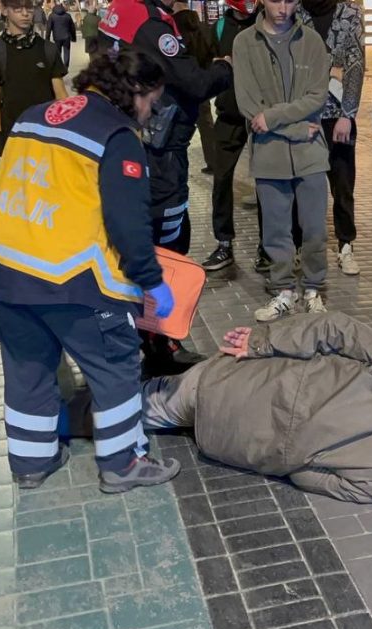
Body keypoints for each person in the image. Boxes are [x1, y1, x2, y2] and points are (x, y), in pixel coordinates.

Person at [0, 49, 181, 493]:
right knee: (116, 366)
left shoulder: (32, 115)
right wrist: (152, 281)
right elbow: (128, 222)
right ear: (134, 93)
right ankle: (122, 464)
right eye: (151, 102)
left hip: (5, 271)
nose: (151, 113)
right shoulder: (116, 136)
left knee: (28, 368)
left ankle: (31, 462)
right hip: (73, 278)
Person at [140, 313, 372, 505]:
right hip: (224, 435)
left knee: (123, 401)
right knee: (142, 407)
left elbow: (334, 327)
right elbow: (302, 476)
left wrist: (261, 342)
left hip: (232, 376)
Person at [98, 0, 233, 372]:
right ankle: (160, 345)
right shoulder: (150, 24)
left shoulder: (120, 11)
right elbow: (193, 82)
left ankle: (140, 338)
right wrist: (224, 69)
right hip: (159, 155)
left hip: (132, 144)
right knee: (169, 244)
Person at [233, 0, 331, 322]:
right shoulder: (245, 42)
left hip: (311, 152)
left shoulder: (312, 41)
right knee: (275, 231)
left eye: (290, 1)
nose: (283, 8)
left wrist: (273, 117)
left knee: (315, 228)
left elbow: (318, 96)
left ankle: (314, 289)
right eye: (276, 0)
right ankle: (283, 291)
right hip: (272, 151)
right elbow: (248, 104)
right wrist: (297, 128)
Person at [298, 0, 365, 276]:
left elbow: (356, 64)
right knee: (302, 186)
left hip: (338, 118)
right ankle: (304, 248)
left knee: (342, 184)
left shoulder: (350, 14)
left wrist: (347, 114)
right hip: (302, 118)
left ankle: (345, 245)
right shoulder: (295, 13)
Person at [200, 0, 260, 273]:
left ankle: (269, 248)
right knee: (221, 180)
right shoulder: (220, 27)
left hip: (261, 118)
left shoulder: (265, 20)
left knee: (268, 186)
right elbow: (205, 66)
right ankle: (224, 243)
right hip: (229, 116)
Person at [0, 0, 68, 158]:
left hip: (46, 135)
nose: (25, 13)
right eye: (17, 8)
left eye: (29, 7)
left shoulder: (48, 49)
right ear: (4, 10)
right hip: (12, 134)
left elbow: (61, 95)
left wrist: (65, 131)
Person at [172, 8, 218, 173]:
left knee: (177, 127)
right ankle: (213, 162)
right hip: (201, 84)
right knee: (206, 125)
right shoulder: (205, 28)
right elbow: (212, 53)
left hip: (181, 87)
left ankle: (175, 163)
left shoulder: (174, 29)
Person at [46, 1, 77, 66]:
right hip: (66, 37)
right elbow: (72, 27)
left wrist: (47, 39)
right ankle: (66, 66)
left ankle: (59, 66)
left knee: (58, 52)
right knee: (66, 52)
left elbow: (48, 28)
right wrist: (73, 37)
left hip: (57, 37)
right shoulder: (68, 16)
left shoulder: (52, 16)